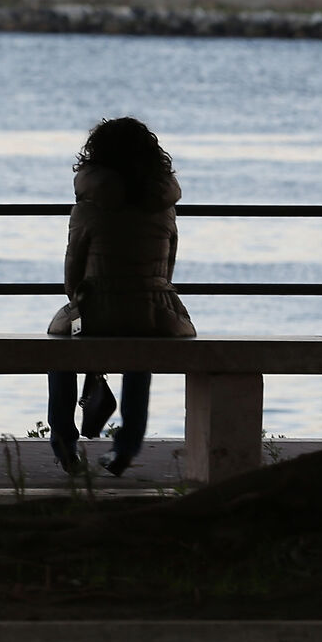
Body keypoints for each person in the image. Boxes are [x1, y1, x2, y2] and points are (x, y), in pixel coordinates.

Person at [48, 116, 195, 476]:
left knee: (57, 344)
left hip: (98, 308)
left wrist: (78, 302)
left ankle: (65, 441)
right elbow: (168, 269)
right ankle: (126, 447)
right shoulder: (164, 206)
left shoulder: (88, 207)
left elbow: (73, 274)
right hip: (157, 311)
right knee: (139, 348)